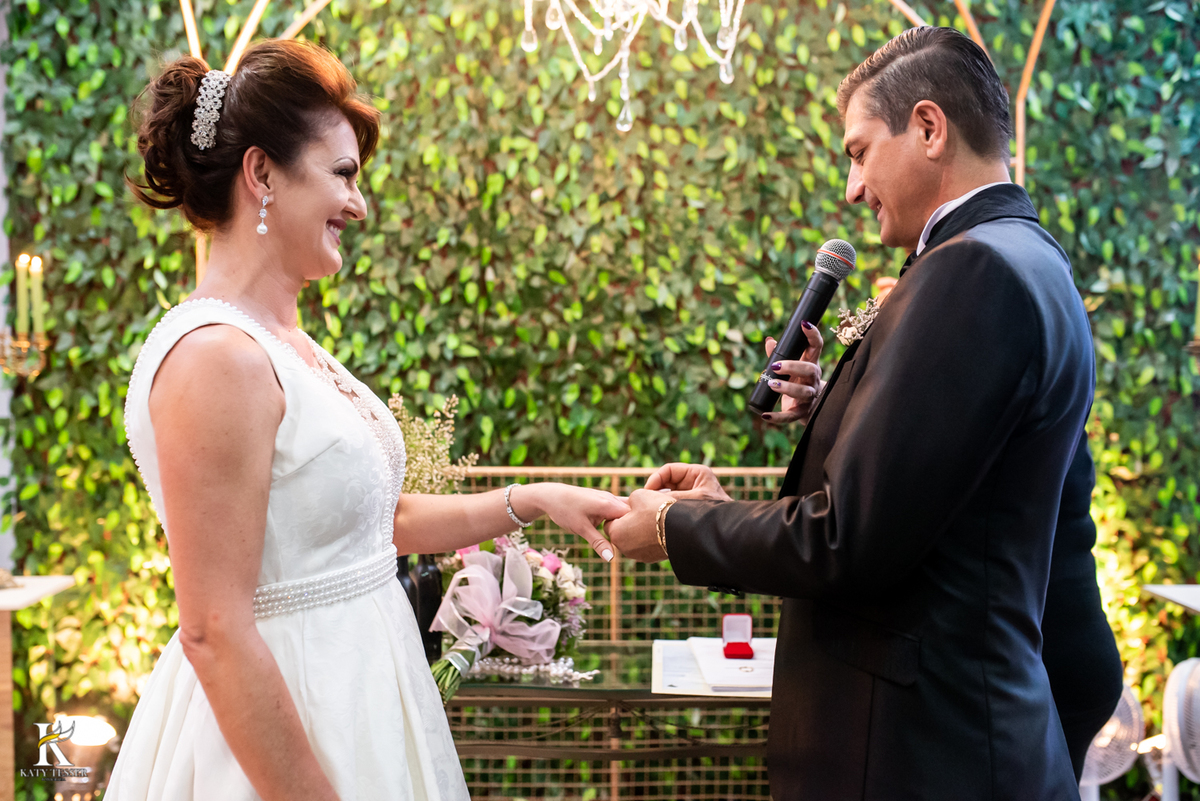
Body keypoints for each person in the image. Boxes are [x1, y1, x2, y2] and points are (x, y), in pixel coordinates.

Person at [107, 39, 628, 801]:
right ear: (262, 175)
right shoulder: (215, 357)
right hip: (285, 737)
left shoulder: (286, 341)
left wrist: (534, 498)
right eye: (343, 174)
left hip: (365, 706)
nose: (359, 203)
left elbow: (369, 526)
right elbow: (213, 629)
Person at [610, 27, 1103, 799]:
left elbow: (849, 538)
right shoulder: (1032, 260)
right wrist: (841, 410)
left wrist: (675, 526)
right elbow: (964, 497)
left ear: (930, 129)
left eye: (859, 150)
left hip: (922, 751)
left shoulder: (970, 271)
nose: (852, 186)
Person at [762, 261, 1122, 783]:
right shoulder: (1002, 291)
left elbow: (878, 507)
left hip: (1040, 658)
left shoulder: (985, 296)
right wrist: (828, 405)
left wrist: (675, 527)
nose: (854, 190)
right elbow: (907, 454)